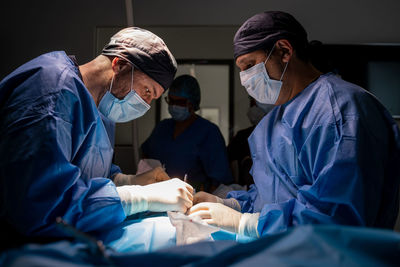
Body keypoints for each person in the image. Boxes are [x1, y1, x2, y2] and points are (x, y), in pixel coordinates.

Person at [189, 11, 400, 238]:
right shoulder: (274, 120)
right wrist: (232, 205)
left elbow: (336, 216)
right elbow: (271, 193)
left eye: (249, 65)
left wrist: (249, 224)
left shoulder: (339, 112)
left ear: (284, 51)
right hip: (285, 250)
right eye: (241, 69)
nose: (245, 78)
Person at [0, 27, 194, 249]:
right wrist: (138, 196)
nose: (146, 104)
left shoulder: (103, 111)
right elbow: (38, 205)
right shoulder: (52, 90)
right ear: (120, 65)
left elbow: (88, 171)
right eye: (147, 91)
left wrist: (126, 180)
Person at [141, 75, 233, 192]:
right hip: (157, 193)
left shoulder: (208, 132)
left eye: (179, 102)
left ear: (192, 103)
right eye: (170, 100)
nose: (173, 105)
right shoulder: (162, 127)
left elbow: (219, 179)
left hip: (193, 196)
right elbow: (145, 154)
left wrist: (205, 200)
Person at [227, 97, 273, 187]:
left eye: (255, 104)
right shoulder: (242, 136)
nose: (252, 108)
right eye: (251, 104)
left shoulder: (278, 135)